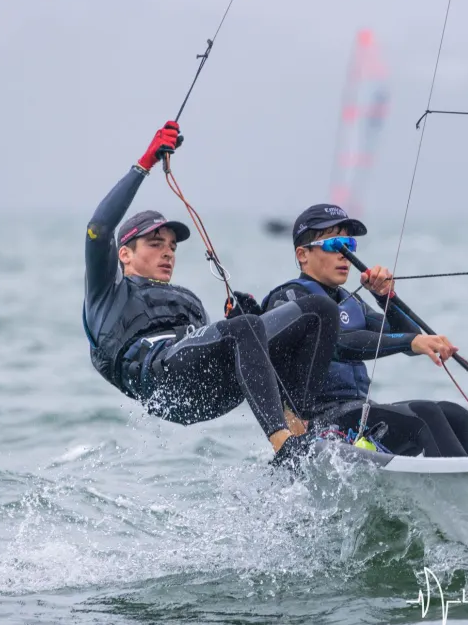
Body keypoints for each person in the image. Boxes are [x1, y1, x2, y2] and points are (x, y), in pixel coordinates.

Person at [82, 121, 340, 465]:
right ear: (124, 254)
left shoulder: (186, 299)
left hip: (212, 390)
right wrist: (144, 164)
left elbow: (218, 345)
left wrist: (248, 320)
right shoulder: (107, 295)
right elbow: (98, 230)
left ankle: (302, 427)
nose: (168, 252)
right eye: (155, 244)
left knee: (319, 310)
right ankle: (284, 447)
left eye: (172, 247)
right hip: (163, 385)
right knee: (246, 328)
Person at [257, 203, 468, 457]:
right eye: (334, 245)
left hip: (357, 414)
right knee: (426, 415)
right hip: (319, 426)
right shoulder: (289, 299)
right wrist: (411, 341)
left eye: (349, 245)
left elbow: (407, 338)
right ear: (303, 255)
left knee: (456, 415)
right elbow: (339, 343)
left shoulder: (352, 302)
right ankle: (459, 480)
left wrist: (386, 298)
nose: (344, 255)